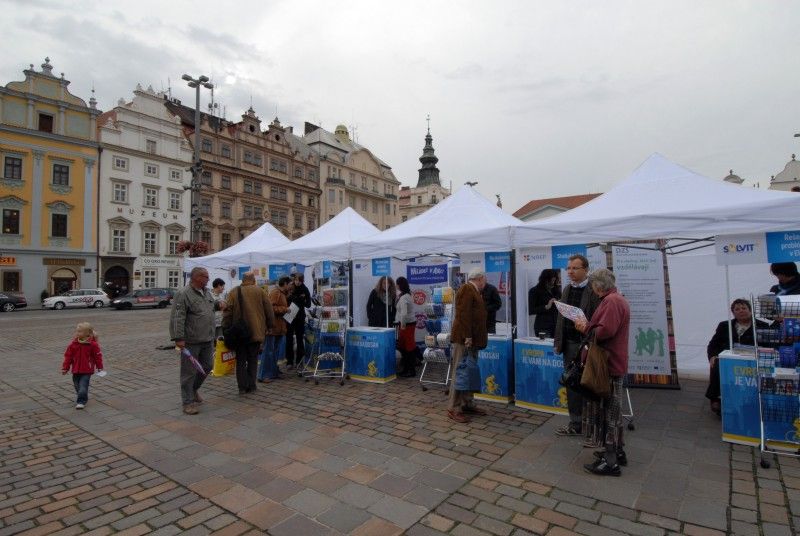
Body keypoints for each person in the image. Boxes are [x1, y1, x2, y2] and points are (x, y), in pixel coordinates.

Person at [574, 268, 631, 477]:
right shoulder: (616, 299)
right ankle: (617, 451)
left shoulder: (612, 301)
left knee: (610, 412)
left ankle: (611, 461)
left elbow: (604, 331)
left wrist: (585, 327)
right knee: (611, 409)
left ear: (598, 286)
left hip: (608, 363)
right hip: (611, 361)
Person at [554, 254, 601, 436]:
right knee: (571, 384)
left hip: (586, 345)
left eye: (575, 268)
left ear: (586, 270)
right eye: (568, 268)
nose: (570, 272)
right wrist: (558, 342)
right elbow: (561, 318)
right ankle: (575, 422)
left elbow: (598, 319)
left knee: (588, 384)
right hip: (568, 345)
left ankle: (592, 422)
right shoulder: (566, 289)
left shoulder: (594, 290)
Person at [706, 299, 771, 416]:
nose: (741, 311)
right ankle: (716, 398)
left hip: (751, 361)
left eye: (744, 308)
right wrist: (712, 356)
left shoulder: (762, 325)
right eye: (737, 309)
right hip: (728, 359)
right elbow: (713, 344)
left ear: (750, 310)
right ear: (733, 313)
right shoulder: (724, 325)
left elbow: (768, 346)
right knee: (717, 363)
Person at [170, 267, 218, 415]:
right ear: (196, 277)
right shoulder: (183, 294)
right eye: (205, 276)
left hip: (208, 337)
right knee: (189, 372)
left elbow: (209, 307)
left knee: (207, 366)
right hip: (191, 340)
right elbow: (178, 317)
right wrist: (178, 338)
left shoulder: (206, 292)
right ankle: (188, 402)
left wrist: (219, 305)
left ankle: (193, 389)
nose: (208, 279)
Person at [223, 271, 275, 395]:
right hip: (256, 332)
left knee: (240, 360)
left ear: (242, 280)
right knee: (253, 359)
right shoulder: (260, 291)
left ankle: (242, 387)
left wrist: (226, 328)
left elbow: (227, 312)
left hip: (239, 333)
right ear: (253, 280)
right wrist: (270, 325)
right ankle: (252, 385)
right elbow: (269, 310)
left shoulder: (234, 292)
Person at [447, 268, 489, 423]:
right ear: (479, 278)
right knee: (460, 372)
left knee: (469, 372)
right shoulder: (466, 289)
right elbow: (463, 314)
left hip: (472, 340)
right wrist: (467, 336)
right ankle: (454, 407)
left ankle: (467, 402)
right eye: (484, 279)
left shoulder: (474, 290)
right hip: (465, 340)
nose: (485, 282)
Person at [61, 322, 104, 410]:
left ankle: (81, 401)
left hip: (87, 370)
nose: (77, 333)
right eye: (77, 331)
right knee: (77, 386)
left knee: (83, 386)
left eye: (80, 331)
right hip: (76, 370)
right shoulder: (73, 344)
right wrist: (65, 368)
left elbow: (98, 356)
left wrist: (100, 367)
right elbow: (68, 357)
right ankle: (83, 396)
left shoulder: (93, 344)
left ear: (87, 333)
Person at [259, 276, 290, 382]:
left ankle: (273, 372)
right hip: (272, 328)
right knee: (268, 352)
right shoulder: (275, 293)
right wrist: (285, 309)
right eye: (289, 284)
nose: (290, 286)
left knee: (275, 352)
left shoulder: (282, 293)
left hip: (279, 328)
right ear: (285, 284)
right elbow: (270, 308)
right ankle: (263, 375)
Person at [395, 276, 421, 377]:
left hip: (406, 325)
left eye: (397, 283)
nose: (396, 285)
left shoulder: (404, 297)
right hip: (408, 324)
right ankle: (407, 369)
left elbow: (404, 313)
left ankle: (411, 370)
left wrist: (403, 325)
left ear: (400, 285)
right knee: (405, 347)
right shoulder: (406, 295)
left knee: (408, 348)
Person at [285, 272, 311, 369]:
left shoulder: (305, 289)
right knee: (289, 338)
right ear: (294, 279)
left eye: (300, 281)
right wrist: (294, 298)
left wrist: (301, 300)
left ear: (302, 281)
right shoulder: (290, 287)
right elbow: (286, 299)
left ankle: (299, 361)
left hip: (300, 316)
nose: (298, 283)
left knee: (300, 338)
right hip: (290, 314)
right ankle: (289, 361)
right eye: (296, 280)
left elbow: (308, 304)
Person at [528, 269, 561, 338]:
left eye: (555, 280)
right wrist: (546, 306)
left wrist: (561, 303)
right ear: (545, 279)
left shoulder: (556, 290)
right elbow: (530, 310)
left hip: (557, 326)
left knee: (556, 348)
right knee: (545, 347)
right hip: (543, 327)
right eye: (552, 280)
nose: (554, 282)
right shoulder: (534, 291)